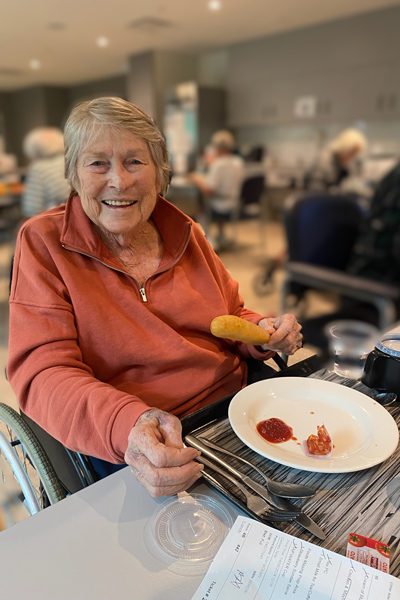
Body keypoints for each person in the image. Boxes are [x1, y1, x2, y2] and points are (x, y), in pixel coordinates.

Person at [7, 97, 303, 497]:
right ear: (73, 174)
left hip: (235, 409)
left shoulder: (187, 232)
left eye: (135, 161)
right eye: (97, 163)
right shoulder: (44, 243)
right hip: (134, 439)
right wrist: (128, 423)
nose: (120, 181)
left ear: (159, 172)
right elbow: (42, 372)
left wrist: (261, 331)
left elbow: (231, 314)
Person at [190, 130, 244, 250]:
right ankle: (221, 235)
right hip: (235, 203)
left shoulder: (218, 164)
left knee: (198, 208)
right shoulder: (238, 162)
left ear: (217, 147)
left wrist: (195, 178)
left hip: (219, 205)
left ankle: (209, 240)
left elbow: (209, 189)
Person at [21, 127, 70, 218]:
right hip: (73, 216)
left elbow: (31, 208)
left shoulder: (39, 168)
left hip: (53, 219)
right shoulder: (69, 160)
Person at [305, 128, 368, 196]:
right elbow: (315, 186)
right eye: (352, 153)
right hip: (321, 200)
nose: (352, 158)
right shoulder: (324, 160)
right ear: (345, 148)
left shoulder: (347, 164)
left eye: (354, 154)